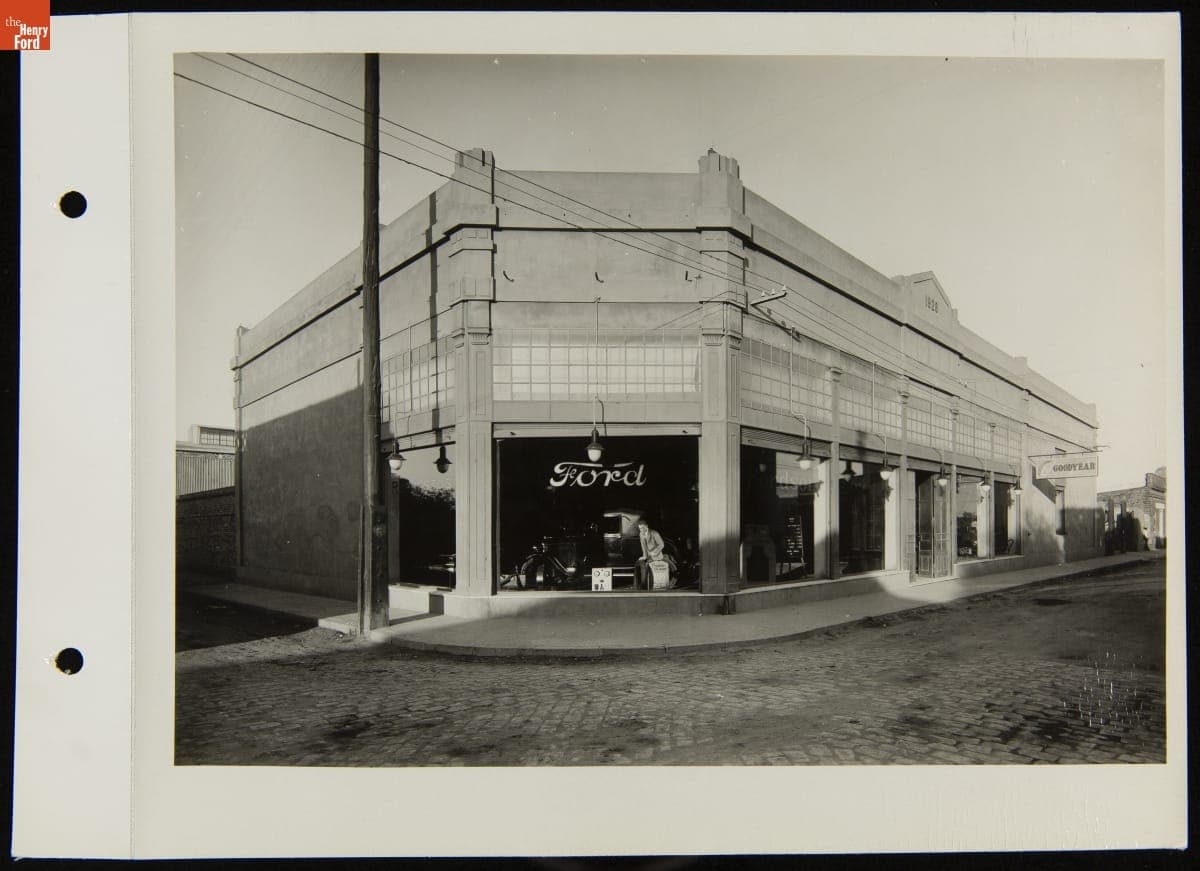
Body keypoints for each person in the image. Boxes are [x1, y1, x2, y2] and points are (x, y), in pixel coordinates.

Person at [635, 517, 666, 590]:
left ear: (646, 526)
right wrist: (644, 556)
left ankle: (644, 586)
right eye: (640, 528)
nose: (641, 530)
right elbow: (643, 546)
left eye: (642, 528)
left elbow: (661, 544)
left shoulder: (654, 533)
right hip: (648, 555)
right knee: (638, 563)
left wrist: (655, 553)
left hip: (656, 555)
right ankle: (638, 585)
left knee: (645, 565)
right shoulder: (641, 534)